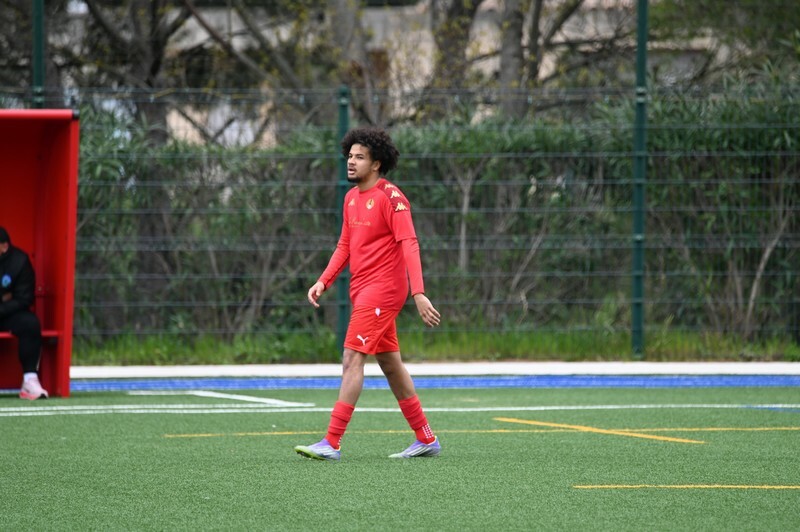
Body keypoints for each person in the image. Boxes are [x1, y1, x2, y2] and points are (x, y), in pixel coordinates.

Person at [294, 127, 442, 460]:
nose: (351, 162)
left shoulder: (392, 197)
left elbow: (410, 244)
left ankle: (331, 442)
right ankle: (426, 438)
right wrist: (323, 281)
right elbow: (345, 245)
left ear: (376, 163)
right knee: (390, 364)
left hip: (383, 291)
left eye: (359, 157)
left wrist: (418, 293)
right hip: (362, 291)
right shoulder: (350, 199)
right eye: (350, 156)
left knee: (352, 358)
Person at [0, 227, 48, 400]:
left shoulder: (20, 262)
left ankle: (29, 381)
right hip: (6, 306)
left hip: (9, 314)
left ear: (4, 246)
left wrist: (4, 305)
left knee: (30, 323)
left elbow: (23, 299)